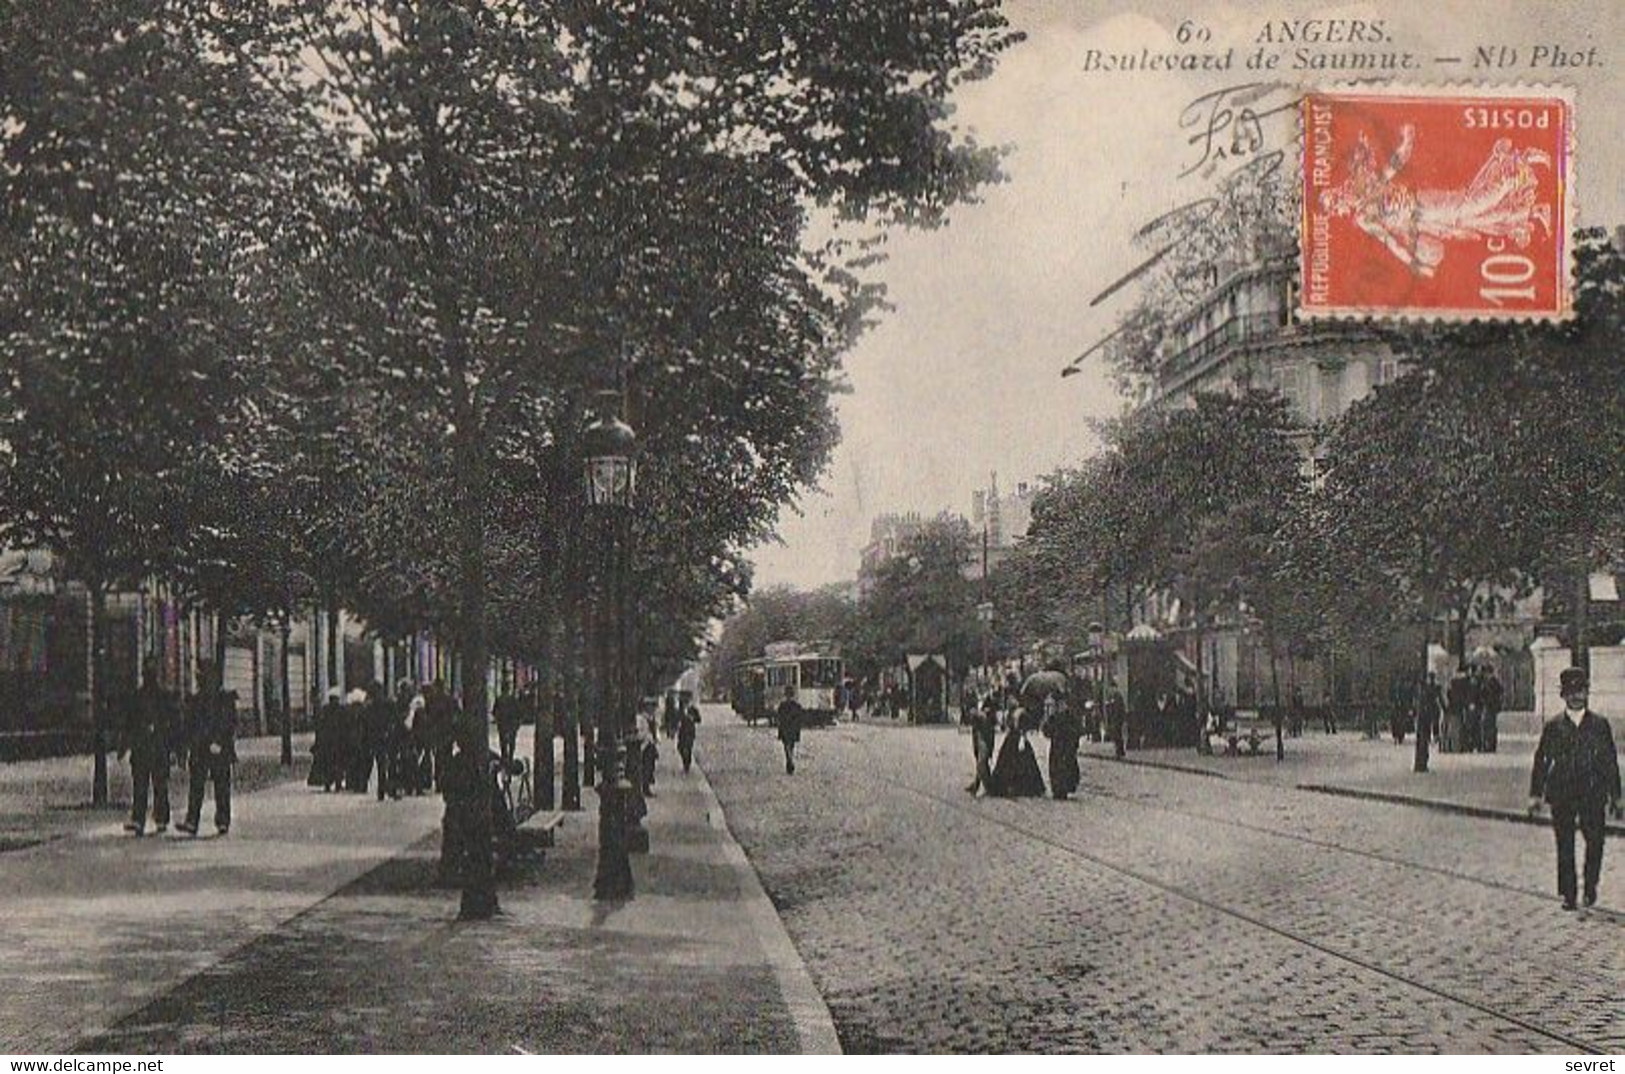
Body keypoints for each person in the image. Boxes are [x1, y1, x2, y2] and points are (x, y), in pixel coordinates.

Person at [1528, 668, 1622, 910]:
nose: (1576, 697)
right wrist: (1535, 795)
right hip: (1563, 792)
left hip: (1592, 792)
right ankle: (1569, 893)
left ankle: (1590, 885)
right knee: (1565, 843)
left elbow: (1610, 761)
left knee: (1596, 841)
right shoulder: (1554, 726)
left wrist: (1617, 796)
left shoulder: (1599, 725)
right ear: (1563, 695)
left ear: (1587, 692)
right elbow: (1541, 761)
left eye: (1580, 691)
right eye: (1571, 692)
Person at [176, 662, 236, 837]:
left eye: (201, 676)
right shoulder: (196, 700)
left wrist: (219, 741)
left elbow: (229, 724)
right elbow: (188, 727)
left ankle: (221, 820)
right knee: (198, 786)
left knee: (220, 786)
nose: (199, 679)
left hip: (217, 748)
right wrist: (185, 748)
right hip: (201, 748)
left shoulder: (224, 699)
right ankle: (193, 821)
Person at [123, 658, 177, 836]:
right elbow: (129, 724)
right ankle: (155, 818)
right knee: (153, 784)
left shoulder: (139, 697)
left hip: (148, 747)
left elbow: (128, 724)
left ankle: (145, 819)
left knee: (147, 784)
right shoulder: (161, 697)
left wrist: (124, 745)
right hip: (153, 748)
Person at [989, 697, 1045, 798]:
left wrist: (1022, 736)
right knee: (1015, 762)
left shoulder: (1020, 714)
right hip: (1013, 738)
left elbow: (1023, 727)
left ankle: (1015, 786)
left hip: (1016, 738)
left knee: (1015, 762)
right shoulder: (1014, 714)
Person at [1041, 693, 1082, 800]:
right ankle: (1057, 789)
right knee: (1056, 768)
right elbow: (1046, 732)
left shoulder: (1070, 716)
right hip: (1057, 746)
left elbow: (1078, 729)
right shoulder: (1053, 717)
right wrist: (1047, 718)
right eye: (1058, 704)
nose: (1061, 706)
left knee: (1066, 768)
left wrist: (1074, 741)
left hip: (1067, 747)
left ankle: (1064, 788)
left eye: (1062, 704)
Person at [965, 691, 999, 796]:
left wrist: (982, 714)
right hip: (978, 733)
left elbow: (992, 718)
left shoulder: (991, 700)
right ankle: (977, 784)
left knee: (982, 761)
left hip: (986, 735)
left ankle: (988, 787)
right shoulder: (973, 698)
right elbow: (969, 717)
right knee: (979, 758)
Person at [1413, 671, 1444, 773]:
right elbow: (1439, 701)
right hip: (1426, 716)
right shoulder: (1432, 689)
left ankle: (1420, 764)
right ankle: (1421, 764)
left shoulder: (1421, 689)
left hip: (1424, 716)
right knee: (1423, 740)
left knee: (1422, 740)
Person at [493, 686, 522, 769]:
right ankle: (510, 757)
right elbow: (519, 711)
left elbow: (494, 711)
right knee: (512, 741)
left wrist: (497, 719)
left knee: (503, 741)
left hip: (502, 724)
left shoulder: (499, 699)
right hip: (511, 724)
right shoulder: (513, 700)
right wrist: (518, 722)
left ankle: (504, 756)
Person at [776, 685, 803, 774]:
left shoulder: (782, 706)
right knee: (791, 745)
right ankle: (790, 758)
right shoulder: (797, 706)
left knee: (786, 745)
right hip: (793, 728)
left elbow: (779, 718)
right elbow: (799, 718)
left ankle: (789, 759)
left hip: (785, 728)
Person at [1480, 664, 1505, 753]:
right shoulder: (1494, 682)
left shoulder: (1489, 682)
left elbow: (1483, 694)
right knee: (1491, 726)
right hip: (1492, 707)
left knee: (1487, 726)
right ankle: (1491, 745)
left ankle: (1488, 745)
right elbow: (1501, 692)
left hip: (1489, 706)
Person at [1104, 679, 1127, 759]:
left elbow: (1118, 709)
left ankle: (1119, 752)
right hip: (1114, 719)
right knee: (1116, 735)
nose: (1110, 690)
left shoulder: (1117, 696)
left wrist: (1116, 719)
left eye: (1111, 688)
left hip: (1117, 719)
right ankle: (1120, 751)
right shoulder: (1112, 696)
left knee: (1117, 735)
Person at [677, 701, 700, 773]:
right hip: (683, 734)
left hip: (689, 735)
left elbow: (698, 719)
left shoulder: (692, 711)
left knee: (687, 749)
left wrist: (692, 718)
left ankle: (686, 766)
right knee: (681, 748)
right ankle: (686, 764)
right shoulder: (682, 713)